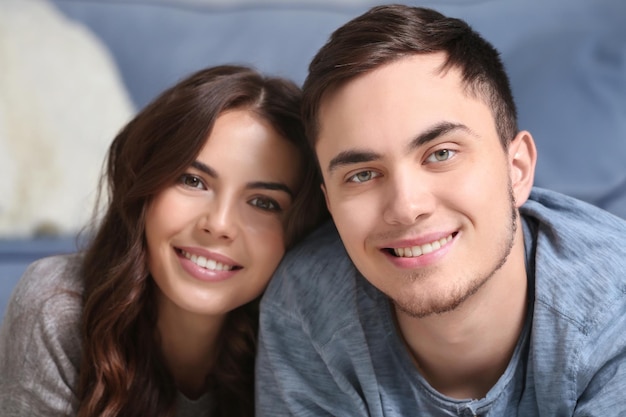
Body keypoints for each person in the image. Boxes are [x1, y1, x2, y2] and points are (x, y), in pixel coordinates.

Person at [256, 4, 626, 416]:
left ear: (517, 169)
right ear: (330, 203)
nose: (407, 207)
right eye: (362, 175)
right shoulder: (306, 308)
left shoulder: (616, 311)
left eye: (442, 153)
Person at [0, 65, 327, 417]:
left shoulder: (313, 341)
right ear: (144, 185)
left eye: (264, 203)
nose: (218, 225)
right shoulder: (55, 307)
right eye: (193, 181)